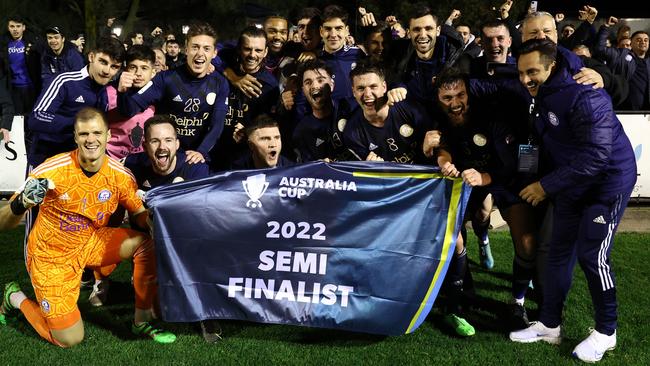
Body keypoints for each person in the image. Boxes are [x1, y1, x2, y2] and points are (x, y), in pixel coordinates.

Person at [0, 107, 176, 346]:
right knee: (69, 339)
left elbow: (138, 214)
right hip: (51, 256)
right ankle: (15, 297)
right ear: (75, 137)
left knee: (146, 245)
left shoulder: (120, 175)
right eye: (84, 134)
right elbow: (3, 221)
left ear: (108, 135)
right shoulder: (51, 170)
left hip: (91, 242)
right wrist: (21, 203)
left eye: (96, 133)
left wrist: (153, 219)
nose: (91, 140)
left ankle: (140, 322)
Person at [509, 38, 636, 364]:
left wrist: (545, 186)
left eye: (532, 71)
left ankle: (607, 333)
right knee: (556, 253)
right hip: (572, 182)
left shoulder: (586, 94)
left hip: (606, 184)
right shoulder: (547, 86)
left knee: (593, 255)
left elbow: (596, 156)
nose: (525, 80)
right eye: (521, 73)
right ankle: (550, 325)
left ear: (552, 66)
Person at [118, 22, 229, 166]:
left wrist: (201, 152)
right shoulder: (165, 79)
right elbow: (129, 109)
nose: (200, 53)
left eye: (206, 48)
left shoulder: (220, 83)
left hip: (198, 158)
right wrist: (122, 92)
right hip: (166, 157)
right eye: (195, 47)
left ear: (214, 53)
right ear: (186, 49)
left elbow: (217, 125)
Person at [28, 36, 125, 169]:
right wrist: (79, 124)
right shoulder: (65, 81)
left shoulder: (111, 90)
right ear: (91, 57)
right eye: (103, 62)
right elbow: (36, 117)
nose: (107, 71)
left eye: (114, 66)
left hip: (82, 163)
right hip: (46, 158)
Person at [211, 26, 279, 171]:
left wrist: (248, 131)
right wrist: (232, 76)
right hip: (213, 149)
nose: (252, 55)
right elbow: (210, 51)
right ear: (239, 49)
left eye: (258, 50)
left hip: (244, 156)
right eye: (247, 49)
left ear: (266, 51)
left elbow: (267, 124)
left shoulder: (270, 85)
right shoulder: (225, 65)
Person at [343, 62, 434, 163]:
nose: (367, 94)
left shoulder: (409, 109)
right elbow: (367, 174)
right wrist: (371, 168)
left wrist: (434, 143)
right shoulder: (352, 133)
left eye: (373, 87)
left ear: (384, 87)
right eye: (361, 88)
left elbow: (439, 142)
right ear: (353, 92)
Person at [292, 59, 356, 162]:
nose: (315, 86)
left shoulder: (352, 108)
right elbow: (305, 170)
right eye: (308, 83)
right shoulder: (301, 132)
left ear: (331, 85)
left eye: (320, 80)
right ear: (303, 90)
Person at [106, 45, 156, 160]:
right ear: (125, 69)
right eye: (133, 67)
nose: (138, 73)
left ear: (153, 72)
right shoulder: (108, 93)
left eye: (144, 68)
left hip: (143, 159)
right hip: (111, 158)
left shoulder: (158, 95)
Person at [595, 17, 650, 110]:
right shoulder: (620, 55)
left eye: (646, 40)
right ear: (631, 43)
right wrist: (606, 26)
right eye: (638, 39)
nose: (643, 42)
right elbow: (600, 49)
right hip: (624, 111)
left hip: (646, 114)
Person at [1, 15, 41, 116]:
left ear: (23, 27)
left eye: (18, 26)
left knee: (32, 118)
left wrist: (71, 44)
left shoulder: (33, 41)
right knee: (17, 120)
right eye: (12, 26)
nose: (15, 29)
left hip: (30, 87)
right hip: (13, 88)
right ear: (8, 27)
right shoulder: (3, 43)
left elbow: (50, 46)